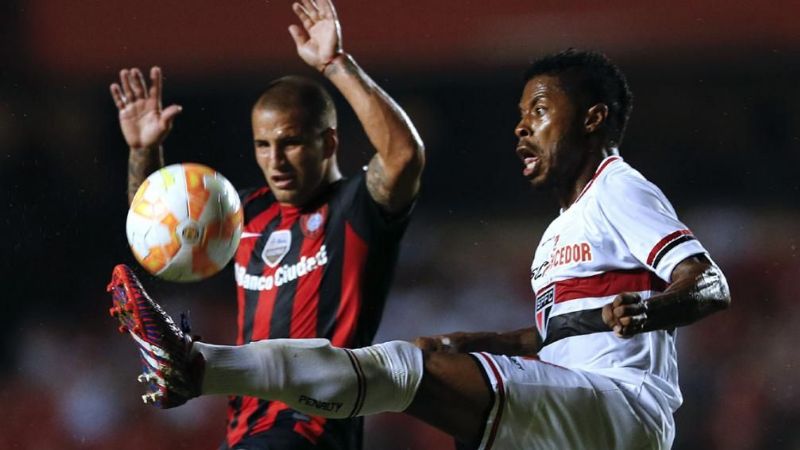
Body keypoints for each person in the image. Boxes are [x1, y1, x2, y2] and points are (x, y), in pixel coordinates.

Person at [108, 47, 730, 450]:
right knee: (427, 366)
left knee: (406, 369)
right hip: (584, 411)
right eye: (519, 113)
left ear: (593, 118)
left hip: (618, 408)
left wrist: (651, 311)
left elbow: (708, 285)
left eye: (539, 110)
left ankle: (200, 364)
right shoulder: (561, 232)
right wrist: (475, 341)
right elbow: (556, 335)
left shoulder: (618, 187)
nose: (520, 126)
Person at [108, 0, 424, 448]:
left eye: (291, 142)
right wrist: (143, 150)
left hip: (312, 427)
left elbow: (403, 156)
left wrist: (336, 64)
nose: (274, 161)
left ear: (329, 141)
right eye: (262, 144)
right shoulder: (244, 213)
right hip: (243, 432)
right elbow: (158, 241)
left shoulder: (358, 207)